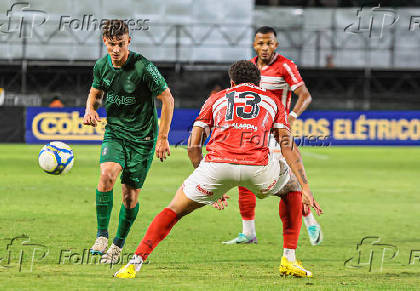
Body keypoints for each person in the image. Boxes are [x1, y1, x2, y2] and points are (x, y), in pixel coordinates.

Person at [113, 60, 322, 279]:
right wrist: (306, 187)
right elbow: (287, 145)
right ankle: (289, 259)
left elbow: (194, 146)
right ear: (259, 82)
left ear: (231, 82)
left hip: (216, 167)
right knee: (292, 188)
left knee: (175, 209)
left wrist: (204, 178)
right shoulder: (272, 101)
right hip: (258, 169)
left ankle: (134, 263)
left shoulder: (216, 99)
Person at [82, 20, 174, 264]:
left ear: (128, 42)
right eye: (111, 44)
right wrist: (89, 110)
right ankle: (102, 236)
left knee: (129, 197)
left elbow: (168, 99)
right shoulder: (101, 66)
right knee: (107, 175)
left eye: (120, 44)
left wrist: (162, 138)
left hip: (143, 139)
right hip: (115, 132)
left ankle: (117, 245)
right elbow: (95, 92)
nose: (115, 49)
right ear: (105, 42)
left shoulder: (143, 67)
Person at [223, 26, 322, 246]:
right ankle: (248, 232)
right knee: (243, 177)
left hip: (277, 134)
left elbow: (305, 96)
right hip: (254, 132)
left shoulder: (285, 66)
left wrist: (292, 117)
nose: (265, 47)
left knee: (290, 181)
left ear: (276, 45)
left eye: (269, 43)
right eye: (260, 43)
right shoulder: (250, 68)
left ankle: (310, 222)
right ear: (254, 45)